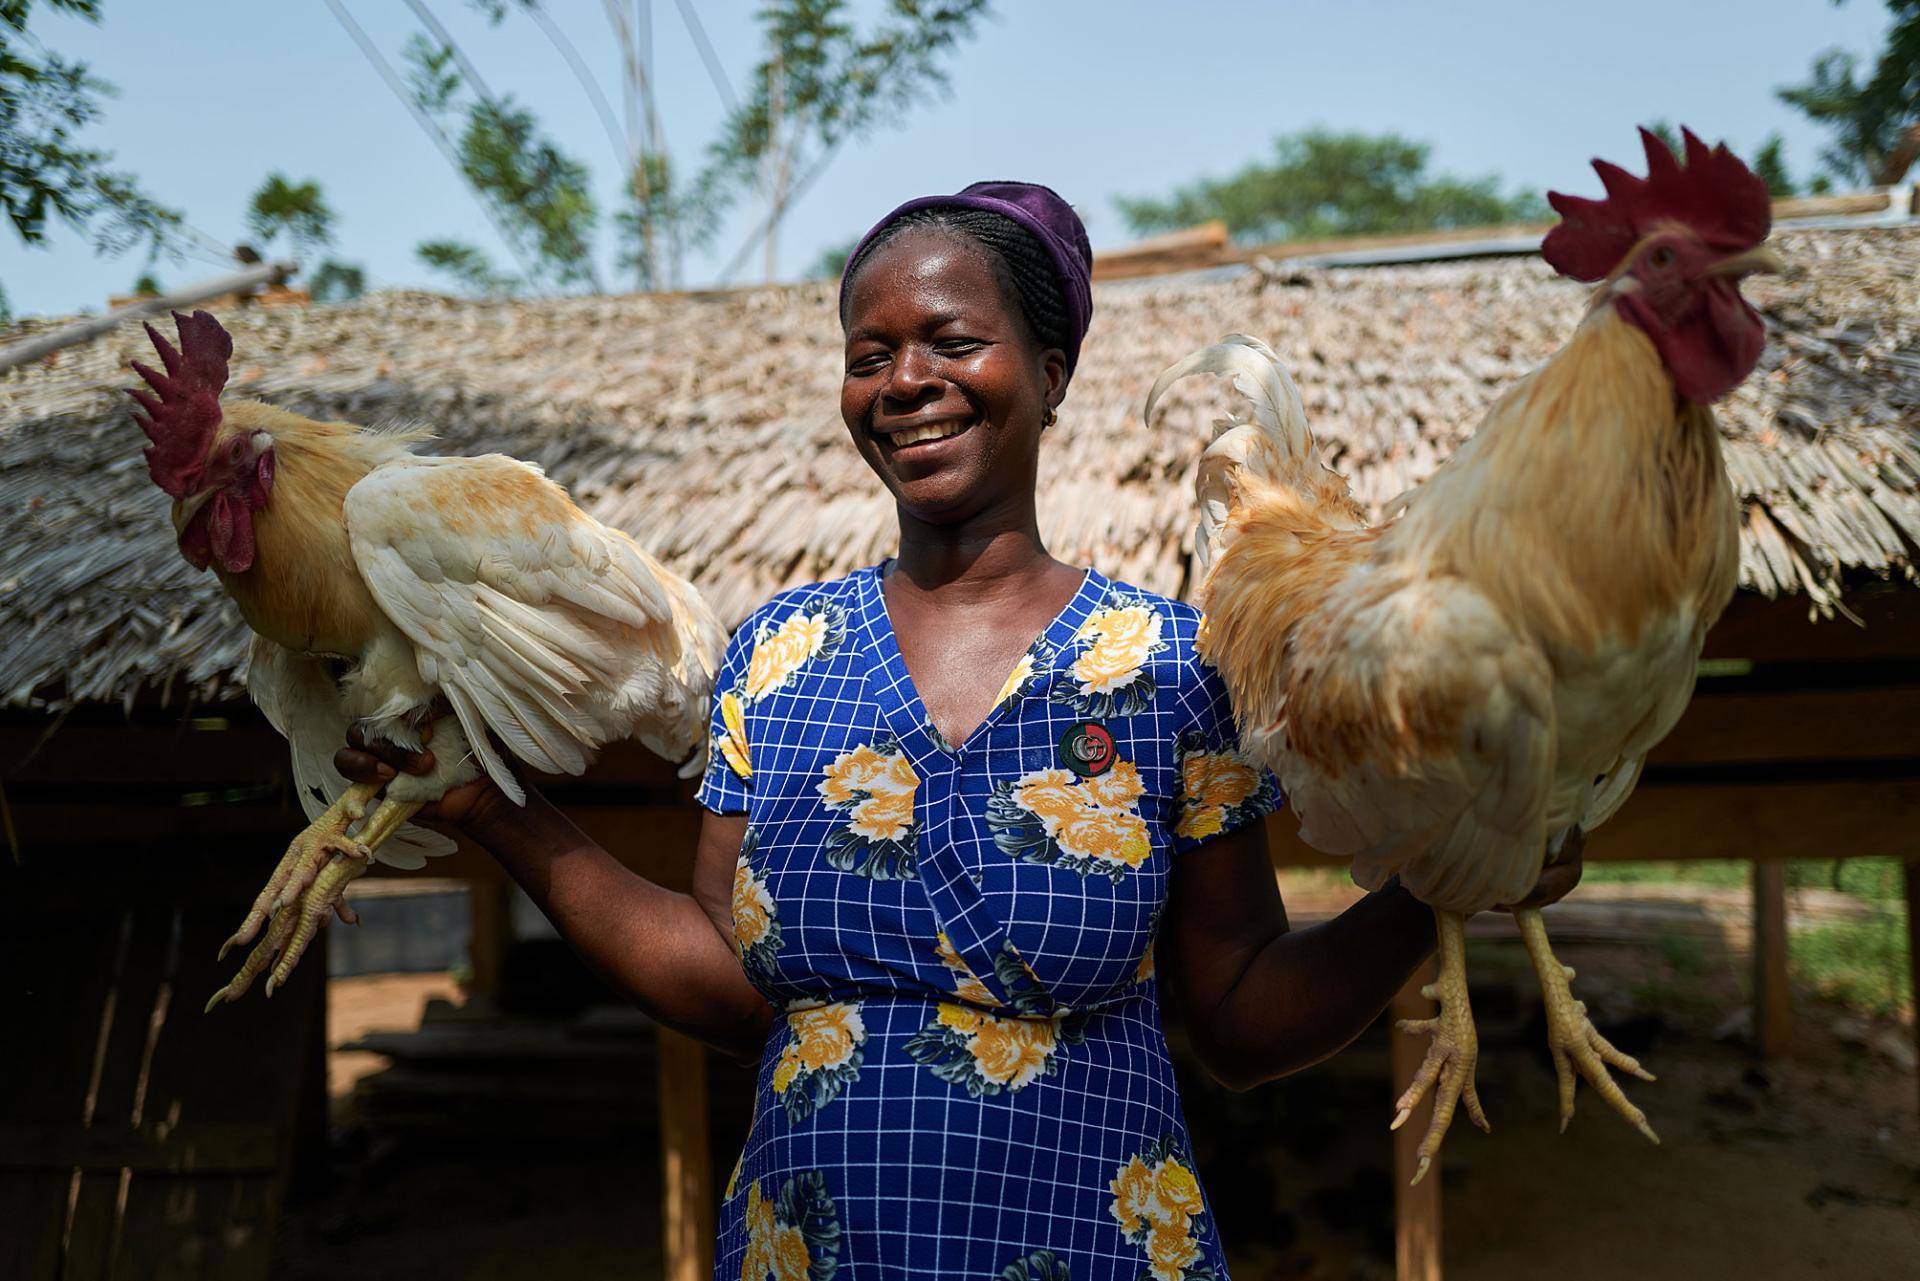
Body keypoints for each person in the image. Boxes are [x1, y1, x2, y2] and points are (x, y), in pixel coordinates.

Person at [337, 181, 1580, 1280]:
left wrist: (1439, 886)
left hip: (1096, 1249)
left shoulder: (1163, 669)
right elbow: (727, 978)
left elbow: (1243, 1019)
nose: (905, 382)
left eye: (951, 341)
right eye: (867, 354)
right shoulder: (779, 654)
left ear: (1049, 372)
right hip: (811, 1248)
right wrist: (494, 812)